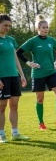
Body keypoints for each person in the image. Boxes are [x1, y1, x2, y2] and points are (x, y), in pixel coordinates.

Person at [16, 14, 56, 129]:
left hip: (51, 72)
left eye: (47, 27)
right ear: (38, 29)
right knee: (40, 99)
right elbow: (18, 52)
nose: (46, 29)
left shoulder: (52, 40)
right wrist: (28, 63)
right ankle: (41, 123)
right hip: (38, 74)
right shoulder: (33, 41)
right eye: (43, 27)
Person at [0, 14, 30, 143]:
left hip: (13, 76)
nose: (8, 28)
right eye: (5, 25)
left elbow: (15, 58)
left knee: (14, 105)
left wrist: (22, 75)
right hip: (2, 77)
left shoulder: (11, 40)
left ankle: (15, 133)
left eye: (9, 26)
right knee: (1, 107)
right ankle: (1, 135)